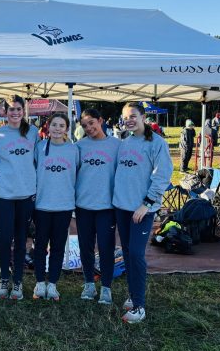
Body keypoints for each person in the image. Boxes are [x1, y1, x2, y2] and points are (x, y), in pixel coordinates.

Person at [112, 102, 173, 324]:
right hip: (122, 207)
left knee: (137, 254)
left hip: (142, 210)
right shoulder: (124, 143)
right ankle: (133, 294)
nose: (129, 120)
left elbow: (162, 175)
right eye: (125, 117)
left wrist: (146, 204)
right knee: (127, 253)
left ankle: (139, 306)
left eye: (133, 116)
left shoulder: (156, 143)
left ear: (143, 117)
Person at [0, 95, 39, 300]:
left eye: (19, 109)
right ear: (4, 112)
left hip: (25, 194)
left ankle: (17, 281)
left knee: (20, 239)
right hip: (3, 195)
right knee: (4, 238)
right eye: (11, 109)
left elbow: (37, 160)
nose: (15, 113)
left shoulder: (33, 132)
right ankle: (4, 278)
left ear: (24, 111)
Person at [74, 108, 121, 304]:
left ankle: (106, 288)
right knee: (85, 247)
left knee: (106, 248)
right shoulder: (78, 146)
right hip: (83, 205)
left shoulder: (117, 145)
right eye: (84, 125)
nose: (89, 128)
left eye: (92, 123)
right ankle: (89, 284)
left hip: (106, 207)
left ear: (101, 120)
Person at [32, 113, 78, 301]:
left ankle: (52, 284)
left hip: (63, 206)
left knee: (58, 246)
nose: (57, 129)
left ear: (66, 129)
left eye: (61, 126)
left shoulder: (73, 150)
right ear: (48, 127)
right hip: (42, 206)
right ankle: (39, 282)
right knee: (40, 246)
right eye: (54, 125)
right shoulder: (40, 147)